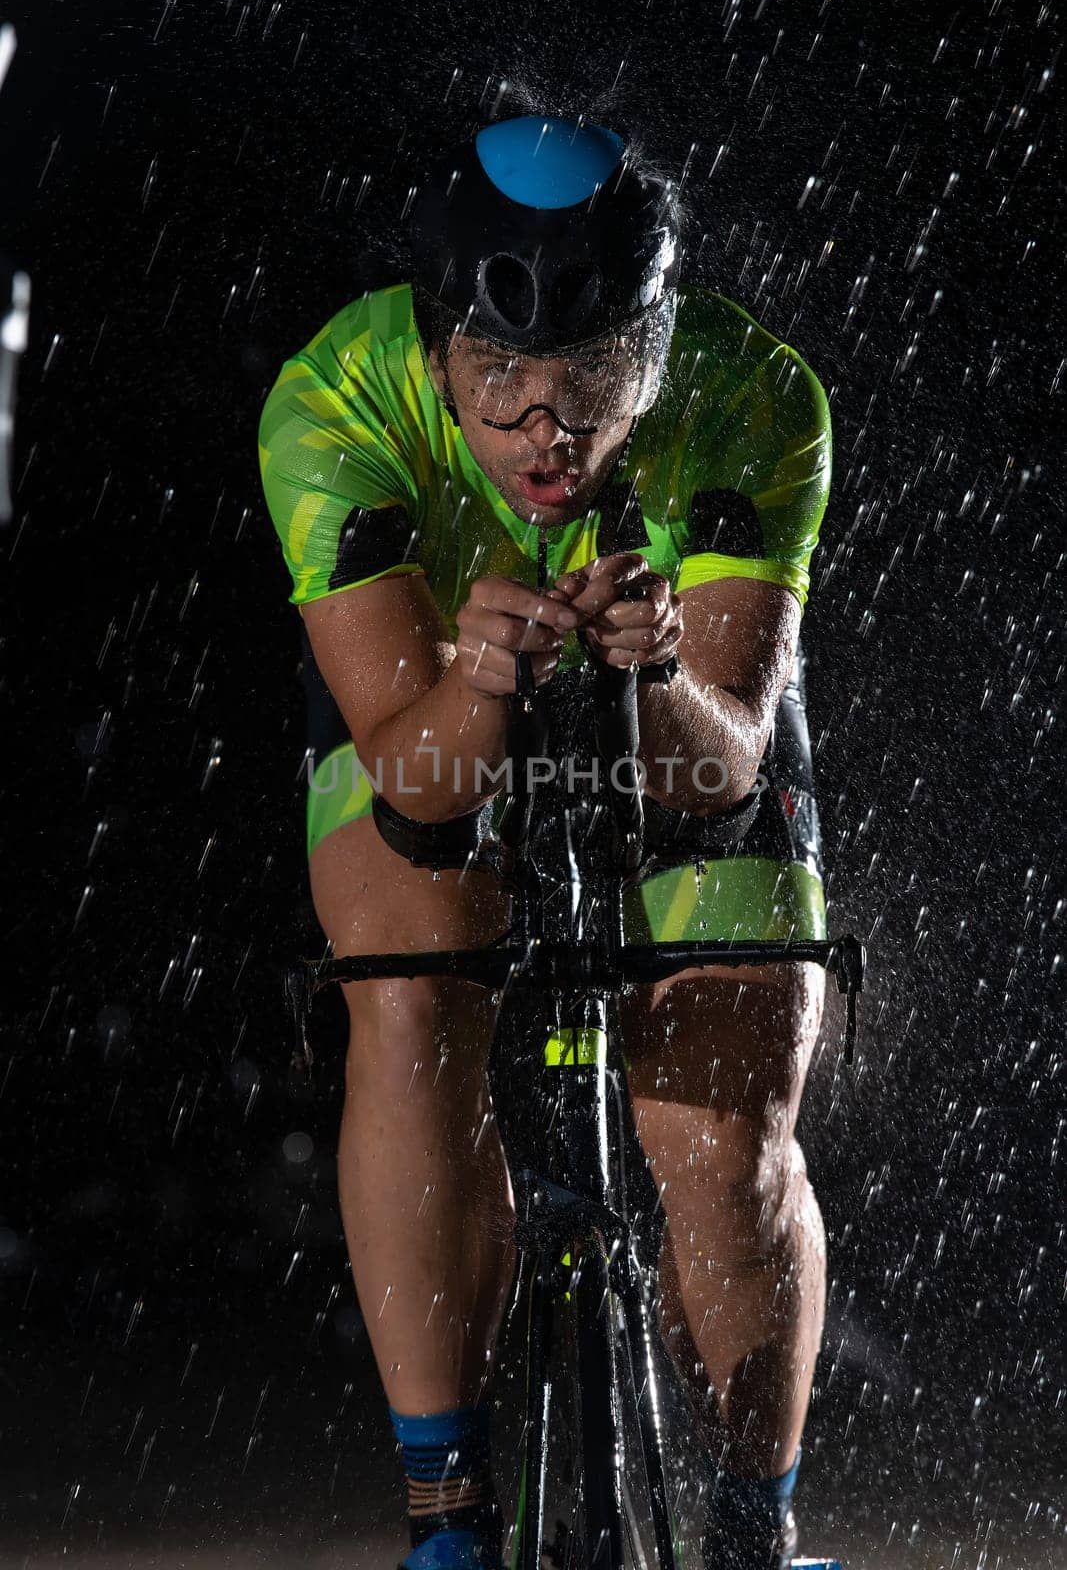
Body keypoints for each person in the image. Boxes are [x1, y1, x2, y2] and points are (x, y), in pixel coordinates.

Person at [258, 112, 832, 1570]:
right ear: (436, 344)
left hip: (679, 713)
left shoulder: (757, 396)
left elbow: (719, 770)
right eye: (499, 379)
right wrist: (471, 684)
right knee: (406, 995)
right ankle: (446, 1521)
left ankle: (750, 1527)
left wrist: (650, 677)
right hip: (436, 711)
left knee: (720, 1111)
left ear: (655, 346)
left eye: (590, 380)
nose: (545, 434)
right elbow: (419, 774)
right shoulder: (336, 396)